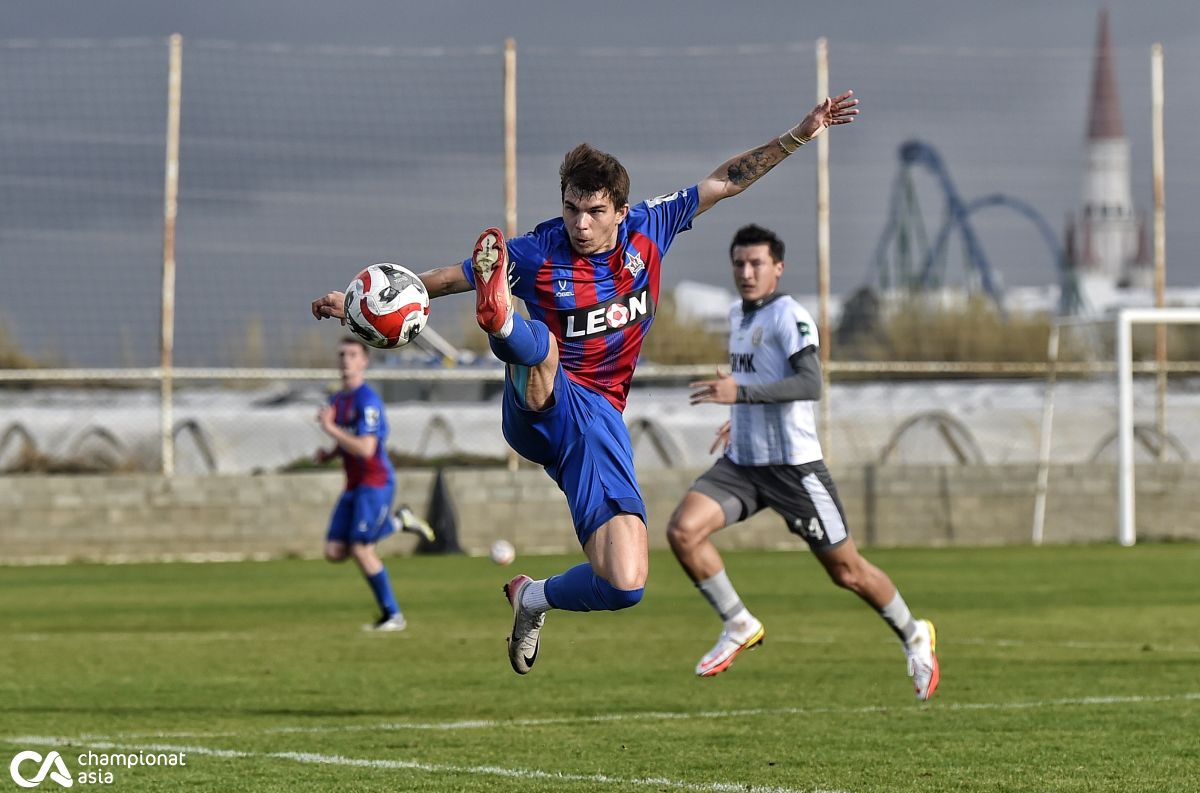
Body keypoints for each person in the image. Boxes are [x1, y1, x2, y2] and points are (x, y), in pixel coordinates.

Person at [311, 91, 859, 672]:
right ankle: (502, 322)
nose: (579, 222)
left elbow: (727, 180)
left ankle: (532, 598)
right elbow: (446, 279)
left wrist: (799, 135)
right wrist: (359, 305)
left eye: (594, 211)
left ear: (620, 210)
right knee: (543, 345)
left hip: (598, 425)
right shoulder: (537, 251)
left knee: (625, 582)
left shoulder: (651, 226)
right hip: (538, 403)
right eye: (571, 208)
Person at [665, 224, 939, 700]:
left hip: (794, 471)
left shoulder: (788, 315)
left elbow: (810, 383)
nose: (746, 273)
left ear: (778, 268)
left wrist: (741, 395)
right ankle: (738, 623)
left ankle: (914, 634)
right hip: (744, 464)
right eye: (739, 263)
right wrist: (739, 417)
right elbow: (758, 381)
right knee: (683, 531)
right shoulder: (737, 315)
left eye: (756, 264)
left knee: (846, 572)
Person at [316, 337, 435, 632]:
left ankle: (393, 616)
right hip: (353, 485)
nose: (345, 360)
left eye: (352, 354)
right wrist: (329, 453)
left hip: (375, 482)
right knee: (334, 551)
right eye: (342, 354)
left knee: (361, 548)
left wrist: (329, 428)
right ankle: (399, 522)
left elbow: (366, 448)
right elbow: (349, 441)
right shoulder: (338, 400)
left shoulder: (367, 401)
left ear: (364, 361)